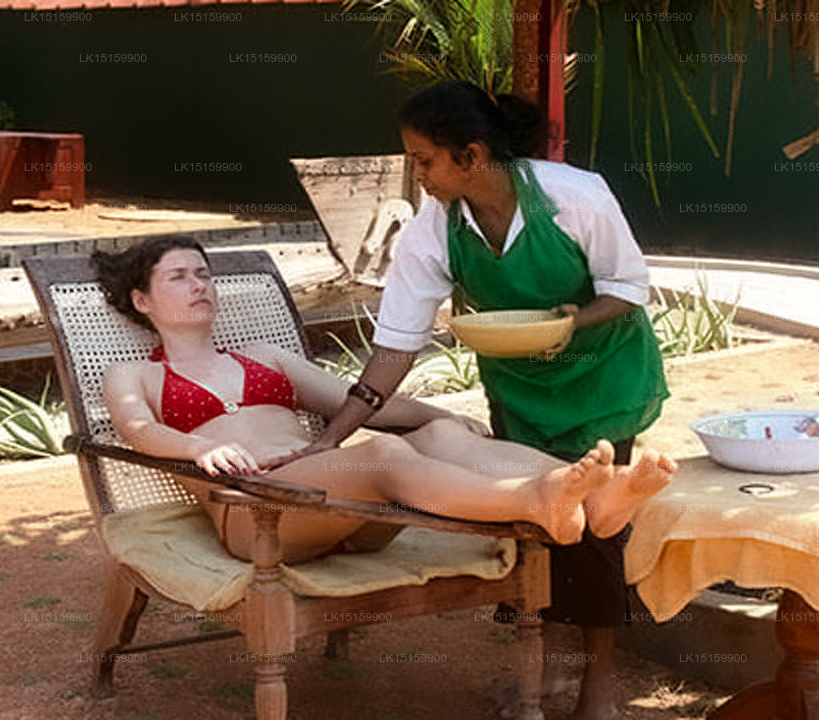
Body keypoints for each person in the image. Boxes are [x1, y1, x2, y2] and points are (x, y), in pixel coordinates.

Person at [283, 80, 671, 720]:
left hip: (601, 379)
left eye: (424, 161)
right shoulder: (435, 228)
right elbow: (396, 345)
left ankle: (597, 689)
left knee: (595, 533)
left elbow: (628, 287)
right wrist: (332, 435)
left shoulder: (575, 196)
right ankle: (544, 673)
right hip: (519, 389)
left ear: (471, 155)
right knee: (531, 524)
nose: (418, 176)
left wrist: (573, 321)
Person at [94, 236, 675, 565]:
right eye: (178, 277)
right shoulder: (133, 373)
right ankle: (535, 499)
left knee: (435, 436)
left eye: (203, 273)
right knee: (382, 453)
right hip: (259, 515)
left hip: (348, 507)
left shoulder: (264, 357)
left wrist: (443, 417)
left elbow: (363, 403)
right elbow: (138, 430)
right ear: (142, 301)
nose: (199, 284)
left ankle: (599, 495)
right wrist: (198, 448)